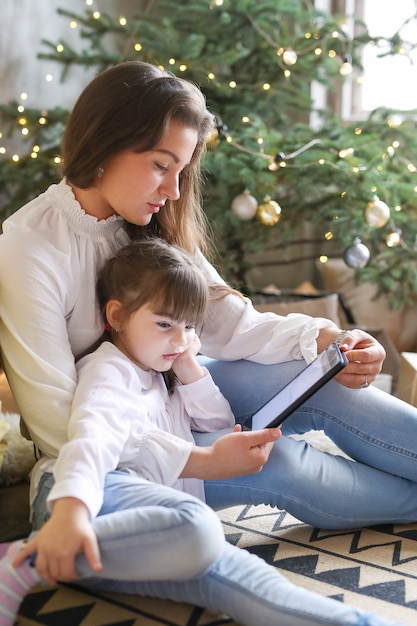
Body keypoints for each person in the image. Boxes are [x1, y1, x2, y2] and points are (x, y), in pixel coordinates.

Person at [0, 59, 415, 625]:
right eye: (159, 166)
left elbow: (228, 324)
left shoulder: (150, 220)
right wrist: (202, 458)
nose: (173, 191)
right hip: (103, 461)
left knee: (318, 378)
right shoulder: (29, 248)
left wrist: (328, 337)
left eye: (182, 169)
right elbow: (61, 424)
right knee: (284, 465)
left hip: (174, 409)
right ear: (104, 144)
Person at [0, 238, 403, 626]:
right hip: (84, 502)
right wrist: (70, 514)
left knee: (246, 583)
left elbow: (216, 424)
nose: (178, 338)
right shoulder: (110, 371)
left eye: (189, 326)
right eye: (163, 324)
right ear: (117, 315)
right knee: (199, 527)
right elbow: (93, 441)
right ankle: (25, 558)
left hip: (125, 545)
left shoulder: (160, 366)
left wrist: (189, 366)